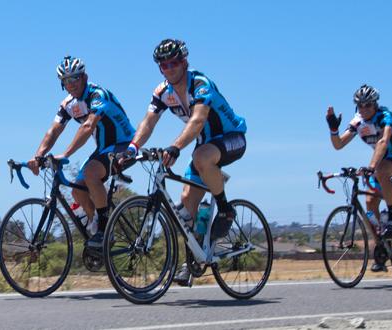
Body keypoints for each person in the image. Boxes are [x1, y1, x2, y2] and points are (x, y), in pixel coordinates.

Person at [124, 39, 247, 285]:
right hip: (205, 147)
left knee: (200, 157)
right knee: (185, 207)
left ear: (184, 62)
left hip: (232, 138)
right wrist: (132, 147)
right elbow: (148, 123)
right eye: (163, 65)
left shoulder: (200, 84)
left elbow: (198, 120)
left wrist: (176, 146)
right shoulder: (162, 92)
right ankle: (193, 260)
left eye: (174, 62)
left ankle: (225, 208)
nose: (169, 68)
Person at [28, 55, 136, 250]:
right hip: (103, 148)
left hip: (124, 144)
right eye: (66, 81)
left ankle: (104, 230)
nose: (71, 84)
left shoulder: (97, 95)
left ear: (84, 77)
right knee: (77, 190)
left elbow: (87, 127)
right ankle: (96, 228)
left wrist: (65, 154)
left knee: (91, 173)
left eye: (75, 78)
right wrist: (38, 155)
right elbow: (53, 130)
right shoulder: (68, 104)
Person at [326, 84, 392, 272]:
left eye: (368, 105)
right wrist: (333, 129)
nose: (364, 109)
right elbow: (339, 144)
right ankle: (381, 246)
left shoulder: (385, 117)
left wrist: (371, 167)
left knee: (381, 171)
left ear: (375, 104)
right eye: (360, 106)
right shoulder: (358, 121)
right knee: (369, 203)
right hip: (380, 159)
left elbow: (383, 141)